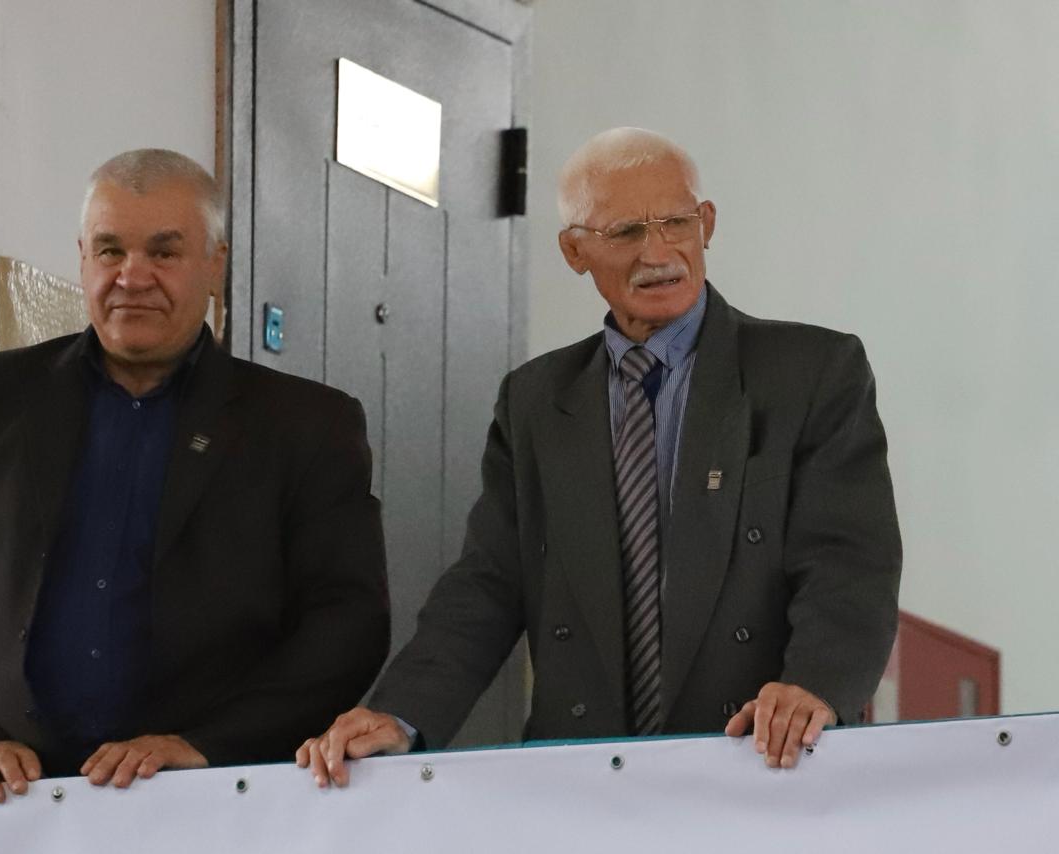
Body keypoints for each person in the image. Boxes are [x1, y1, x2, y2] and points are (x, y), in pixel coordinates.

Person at [296, 127, 901, 785]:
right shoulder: (534, 400)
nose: (658, 253)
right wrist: (401, 713)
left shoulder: (812, 372)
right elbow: (489, 583)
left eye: (676, 223)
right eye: (626, 232)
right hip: (580, 781)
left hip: (760, 763)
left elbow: (846, 561)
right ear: (574, 251)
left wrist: (815, 685)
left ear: (706, 224)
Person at [0, 149, 389, 802]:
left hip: (212, 800)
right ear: (83, 259)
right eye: (110, 250)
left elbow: (347, 621)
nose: (132, 276)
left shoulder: (306, 425)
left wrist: (208, 746)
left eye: (164, 252)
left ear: (216, 265)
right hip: (8, 805)